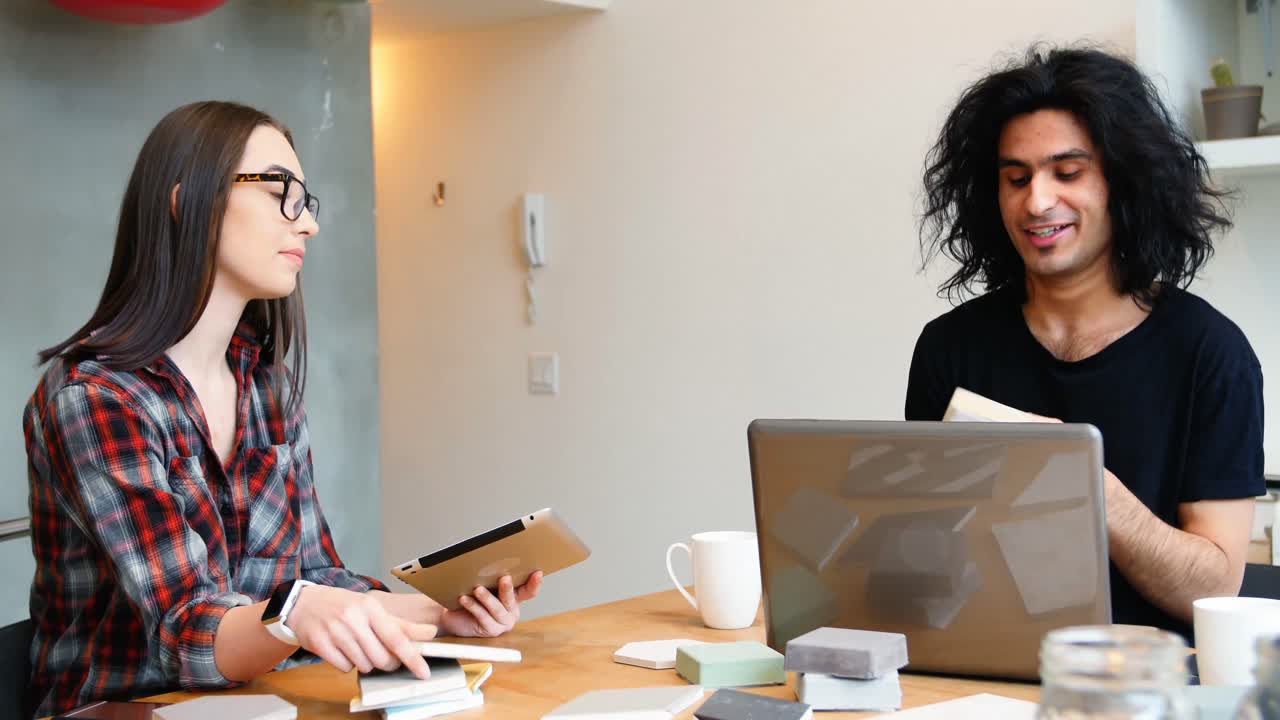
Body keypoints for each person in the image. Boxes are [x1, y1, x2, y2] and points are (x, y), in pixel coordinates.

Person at [22, 100, 543, 718]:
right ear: (190, 201)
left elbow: (319, 578)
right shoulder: (95, 399)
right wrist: (295, 614)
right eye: (279, 193)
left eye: (306, 200)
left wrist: (439, 613)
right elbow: (188, 630)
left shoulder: (265, 389)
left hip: (267, 704)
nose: (308, 225)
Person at [907, 45, 1264, 640]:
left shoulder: (1210, 353)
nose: (1037, 201)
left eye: (1067, 173)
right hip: (978, 676)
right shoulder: (950, 347)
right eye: (1016, 178)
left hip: (1147, 687)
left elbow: (1215, 587)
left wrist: (1083, 482)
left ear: (1122, 183)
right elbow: (929, 558)